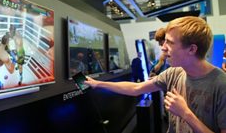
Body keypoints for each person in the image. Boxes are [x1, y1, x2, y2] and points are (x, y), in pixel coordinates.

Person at [82, 16, 226, 132]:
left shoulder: (221, 84)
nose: (163, 48)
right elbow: (136, 88)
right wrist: (97, 84)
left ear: (191, 49)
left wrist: (185, 114)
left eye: (170, 43)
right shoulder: (173, 73)